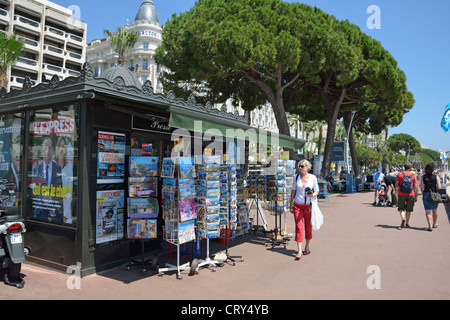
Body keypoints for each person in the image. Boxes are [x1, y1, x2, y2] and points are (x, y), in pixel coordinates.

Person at [289, 159, 319, 260]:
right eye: (299, 166)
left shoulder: (313, 178)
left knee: (308, 227)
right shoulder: (296, 177)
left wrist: (312, 194)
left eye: (302, 166)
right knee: (298, 227)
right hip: (297, 204)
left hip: (308, 206)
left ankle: (307, 247)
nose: (300, 168)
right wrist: (290, 204)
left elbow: (317, 190)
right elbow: (293, 191)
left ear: (307, 167)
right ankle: (299, 250)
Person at [32, 137, 63, 223]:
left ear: (52, 150)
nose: (47, 151)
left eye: (49, 148)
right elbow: (33, 191)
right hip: (40, 211)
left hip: (55, 211)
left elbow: (62, 190)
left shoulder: (58, 169)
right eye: (45, 148)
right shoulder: (36, 169)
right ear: (41, 150)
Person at [395, 162, 419, 230]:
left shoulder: (400, 174)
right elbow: (416, 187)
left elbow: (396, 184)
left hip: (401, 193)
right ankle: (407, 223)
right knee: (409, 209)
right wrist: (416, 196)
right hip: (410, 194)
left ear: (404, 167)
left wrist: (400, 186)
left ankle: (403, 217)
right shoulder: (413, 175)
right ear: (410, 168)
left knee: (401, 208)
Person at [420, 163, 441, 231]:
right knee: (435, 210)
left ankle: (430, 226)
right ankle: (434, 224)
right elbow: (439, 187)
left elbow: (421, 186)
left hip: (426, 193)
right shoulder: (436, 176)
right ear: (433, 170)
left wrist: (423, 192)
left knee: (428, 211)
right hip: (434, 194)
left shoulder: (423, 177)